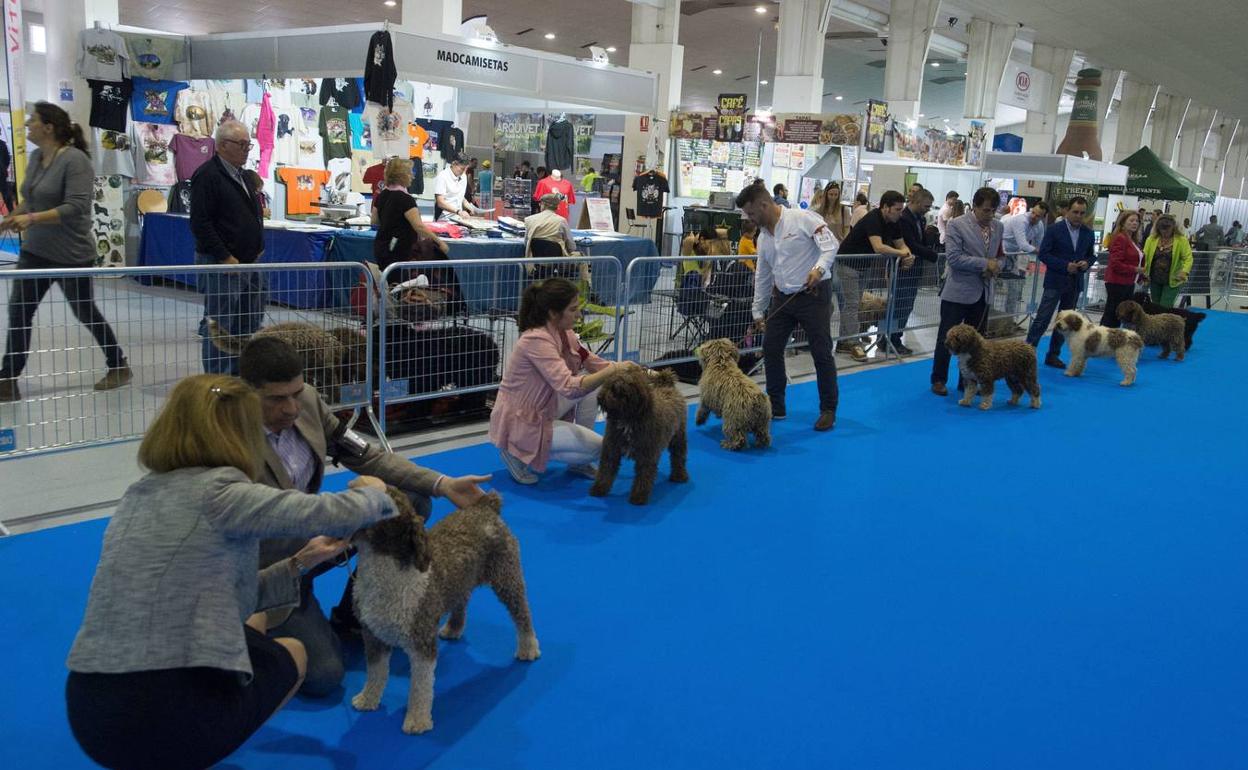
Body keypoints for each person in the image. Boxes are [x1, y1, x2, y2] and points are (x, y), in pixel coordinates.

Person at [64, 374, 398, 770]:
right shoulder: (221, 491)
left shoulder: (138, 495)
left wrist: (298, 564)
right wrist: (375, 494)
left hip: (87, 710)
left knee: (253, 623)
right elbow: (322, 511)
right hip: (156, 718)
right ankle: (192, 747)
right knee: (295, 654)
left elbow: (235, 596)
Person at [238, 336, 490, 695]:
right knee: (325, 676)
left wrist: (443, 483)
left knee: (410, 500)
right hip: (266, 567)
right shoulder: (226, 436)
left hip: (319, 541)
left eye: (296, 392)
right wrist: (347, 515)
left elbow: (368, 457)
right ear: (246, 393)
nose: (293, 408)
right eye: (278, 398)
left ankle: (353, 615)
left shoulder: (309, 401)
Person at [0, 102, 130, 403]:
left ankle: (118, 365)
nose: (28, 125)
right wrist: (11, 218)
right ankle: (8, 378)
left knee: (85, 312)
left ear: (49, 127)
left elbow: (75, 207)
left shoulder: (76, 161)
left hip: (71, 254)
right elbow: (31, 199)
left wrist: (30, 219)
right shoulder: (35, 157)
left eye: (33, 120)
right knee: (19, 311)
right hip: (35, 251)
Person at [489, 278, 637, 484]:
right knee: (601, 448)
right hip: (523, 417)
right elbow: (568, 387)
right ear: (553, 313)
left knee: (594, 387)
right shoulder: (536, 340)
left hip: (545, 404)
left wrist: (642, 373)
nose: (579, 315)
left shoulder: (565, 333)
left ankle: (577, 461)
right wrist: (615, 369)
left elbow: (591, 362)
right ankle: (515, 452)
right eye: (573, 309)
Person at [738, 181, 839, 432]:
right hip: (783, 298)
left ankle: (828, 409)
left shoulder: (803, 218)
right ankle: (776, 405)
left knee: (821, 352)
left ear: (763, 205)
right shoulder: (763, 238)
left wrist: (819, 268)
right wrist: (757, 310)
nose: (749, 219)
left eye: (751, 213)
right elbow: (762, 275)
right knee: (770, 349)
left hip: (813, 295)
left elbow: (831, 245)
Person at [190, 119, 266, 375]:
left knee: (248, 322)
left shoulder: (244, 175)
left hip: (248, 262)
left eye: (249, 144)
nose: (247, 149)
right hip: (223, 265)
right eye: (241, 144)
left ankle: (238, 374)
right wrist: (224, 256)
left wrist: (259, 244)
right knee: (220, 325)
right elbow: (200, 223)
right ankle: (215, 379)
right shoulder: (207, 176)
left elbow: (253, 213)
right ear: (222, 145)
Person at [930, 187, 1003, 396]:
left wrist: (997, 266)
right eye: (986, 210)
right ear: (975, 206)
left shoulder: (998, 227)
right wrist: (985, 264)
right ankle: (938, 379)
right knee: (947, 338)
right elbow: (954, 258)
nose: (990, 215)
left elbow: (1000, 255)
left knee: (978, 343)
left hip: (983, 292)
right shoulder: (956, 225)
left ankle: (969, 382)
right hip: (958, 292)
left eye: (993, 211)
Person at [835, 189, 910, 362]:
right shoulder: (872, 219)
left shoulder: (894, 222)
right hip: (848, 264)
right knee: (852, 304)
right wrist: (902, 254)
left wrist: (907, 254)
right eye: (897, 209)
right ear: (885, 207)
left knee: (853, 304)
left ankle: (844, 341)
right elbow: (879, 247)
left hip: (863, 266)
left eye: (901, 209)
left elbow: (902, 245)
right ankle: (853, 343)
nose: (900, 213)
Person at [1025, 196, 1096, 368]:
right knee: (1043, 318)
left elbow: (1091, 255)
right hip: (1055, 281)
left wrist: (1087, 263)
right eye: (1075, 212)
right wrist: (1065, 266)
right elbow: (1044, 254)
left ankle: (1053, 355)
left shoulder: (1088, 233)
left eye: (1082, 213)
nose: (1078, 216)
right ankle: (1026, 353)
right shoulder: (1054, 230)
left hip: (1074, 283)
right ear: (1066, 211)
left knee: (1066, 324)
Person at [372, 157, 446, 278]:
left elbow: (374, 221)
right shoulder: (406, 199)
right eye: (411, 172)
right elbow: (419, 226)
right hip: (398, 251)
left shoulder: (382, 195)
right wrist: (439, 242)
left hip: (381, 248)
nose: (413, 176)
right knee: (400, 287)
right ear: (402, 175)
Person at [890, 187, 939, 354]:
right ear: (917, 202)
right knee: (899, 306)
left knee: (906, 306)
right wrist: (932, 255)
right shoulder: (904, 219)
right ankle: (891, 339)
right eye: (926, 206)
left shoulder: (920, 219)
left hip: (915, 269)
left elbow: (921, 242)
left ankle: (893, 338)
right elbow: (910, 244)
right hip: (903, 269)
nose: (928, 209)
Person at [1000, 201, 1048, 313]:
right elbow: (1023, 245)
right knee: (993, 288)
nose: (1034, 217)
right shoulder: (1021, 220)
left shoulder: (1039, 225)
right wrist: (1041, 252)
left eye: (1038, 216)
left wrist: (1043, 252)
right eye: (1033, 213)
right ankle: (990, 318)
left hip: (1014, 255)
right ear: (1031, 210)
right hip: (1001, 253)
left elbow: (1040, 244)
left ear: (1043, 217)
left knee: (1014, 288)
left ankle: (1009, 318)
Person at [1102, 209, 1144, 328]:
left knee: (1119, 314)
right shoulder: (1120, 238)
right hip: (1117, 282)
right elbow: (1115, 263)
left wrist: (1140, 275)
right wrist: (1135, 269)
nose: (1135, 223)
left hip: (1128, 282)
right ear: (1123, 222)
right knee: (1112, 314)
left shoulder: (1133, 239)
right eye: (1131, 220)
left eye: (1137, 221)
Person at [1142, 213, 1192, 307]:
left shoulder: (1181, 240)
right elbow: (1145, 256)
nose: (1164, 232)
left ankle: (1166, 321)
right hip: (1154, 278)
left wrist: (1184, 271)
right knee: (1155, 305)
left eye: (1167, 229)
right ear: (1157, 228)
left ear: (1173, 227)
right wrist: (1144, 272)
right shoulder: (1151, 239)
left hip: (1173, 280)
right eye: (1162, 229)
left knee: (1165, 306)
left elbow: (1188, 258)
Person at [433, 155, 480, 220]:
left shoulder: (463, 176)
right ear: (454, 164)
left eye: (465, 169)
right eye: (462, 169)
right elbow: (440, 202)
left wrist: (470, 207)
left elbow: (460, 197)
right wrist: (458, 211)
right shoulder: (443, 176)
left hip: (458, 218)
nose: (463, 172)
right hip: (444, 218)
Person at [0, 134, 13, 212]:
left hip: (1, 172)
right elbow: (7, 159)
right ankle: (12, 212)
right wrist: (4, 167)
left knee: (6, 193)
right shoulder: (3, 144)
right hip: (2, 172)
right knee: (6, 194)